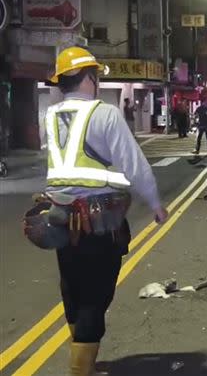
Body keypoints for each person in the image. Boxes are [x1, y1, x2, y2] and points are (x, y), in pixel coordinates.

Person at [37, 47, 168, 375]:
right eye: (95, 76)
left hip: (60, 218)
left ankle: (81, 357)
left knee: (73, 287)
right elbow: (133, 165)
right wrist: (154, 203)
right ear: (89, 78)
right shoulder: (104, 114)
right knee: (96, 295)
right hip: (96, 220)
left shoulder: (50, 116)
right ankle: (81, 369)